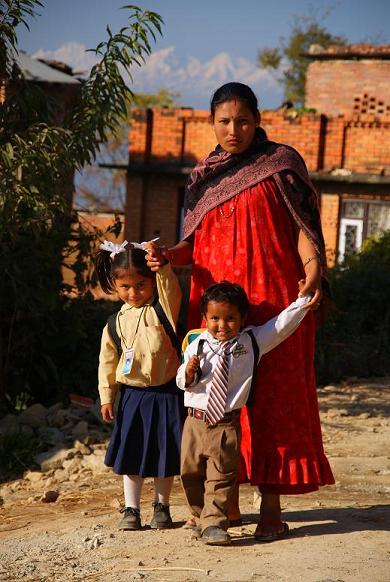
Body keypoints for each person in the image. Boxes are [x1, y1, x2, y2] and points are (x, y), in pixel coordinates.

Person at [146, 81, 334, 541]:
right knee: (213, 404)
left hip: (273, 302)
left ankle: (271, 507)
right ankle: (222, 506)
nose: (234, 130)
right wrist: (168, 256)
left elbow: (303, 226)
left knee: (274, 401)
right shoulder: (202, 175)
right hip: (213, 309)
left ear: (257, 119)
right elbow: (193, 243)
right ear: (211, 123)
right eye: (225, 121)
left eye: (243, 120)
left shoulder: (282, 165)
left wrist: (311, 270)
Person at [177, 281, 311, 545]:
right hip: (194, 421)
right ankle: (200, 517)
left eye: (230, 318)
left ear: (242, 318)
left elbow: (281, 326)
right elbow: (182, 380)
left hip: (225, 423)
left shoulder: (250, 341)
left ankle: (214, 524)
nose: (222, 325)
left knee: (221, 475)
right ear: (205, 318)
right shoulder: (197, 343)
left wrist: (303, 301)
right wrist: (189, 372)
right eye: (215, 318)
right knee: (190, 474)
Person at [96, 239, 183, 531]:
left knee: (164, 454)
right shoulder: (113, 323)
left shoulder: (164, 310)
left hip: (167, 394)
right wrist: (107, 397)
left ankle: (162, 508)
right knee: (131, 454)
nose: (133, 293)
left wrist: (164, 268)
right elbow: (107, 363)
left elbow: (169, 287)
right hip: (132, 397)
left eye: (141, 285)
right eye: (125, 287)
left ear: (152, 283)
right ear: (115, 284)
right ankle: (131, 510)